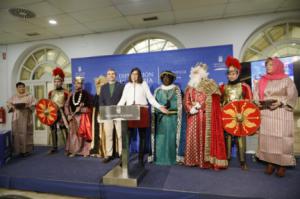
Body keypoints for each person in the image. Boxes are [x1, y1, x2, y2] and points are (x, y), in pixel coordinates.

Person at [254, 57, 298, 177]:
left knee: (282, 139)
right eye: (267, 65)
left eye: (271, 64)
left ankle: (283, 165)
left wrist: (281, 102)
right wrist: (257, 101)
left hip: (282, 112)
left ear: (278, 65)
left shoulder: (287, 80)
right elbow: (256, 94)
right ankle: (270, 163)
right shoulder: (262, 80)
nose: (268, 67)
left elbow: (292, 96)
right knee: (268, 139)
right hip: (266, 113)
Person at [118, 67, 168, 167]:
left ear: (139, 75)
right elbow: (123, 99)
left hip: (142, 111)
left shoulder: (143, 84)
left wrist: (159, 106)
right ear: (130, 75)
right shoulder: (127, 85)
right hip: (129, 111)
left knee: (143, 137)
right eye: (132, 74)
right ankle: (124, 159)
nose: (134, 76)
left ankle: (140, 159)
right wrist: (116, 109)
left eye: (136, 74)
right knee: (127, 137)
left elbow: (150, 97)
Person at [184, 63, 228, 169]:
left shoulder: (209, 84)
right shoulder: (189, 87)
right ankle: (193, 160)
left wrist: (201, 105)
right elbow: (186, 100)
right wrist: (191, 108)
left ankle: (204, 161)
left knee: (204, 138)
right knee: (193, 138)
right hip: (192, 117)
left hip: (204, 117)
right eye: (194, 73)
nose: (194, 75)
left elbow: (213, 100)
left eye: (197, 73)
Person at [220, 56, 252, 170]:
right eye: (229, 73)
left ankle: (243, 161)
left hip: (240, 118)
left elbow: (250, 103)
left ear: (238, 73)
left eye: (234, 73)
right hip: (228, 119)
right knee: (227, 138)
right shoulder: (223, 87)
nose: (231, 75)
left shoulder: (244, 87)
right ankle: (227, 159)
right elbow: (220, 102)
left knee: (240, 139)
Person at [149, 70, 183, 165]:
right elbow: (154, 106)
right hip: (161, 120)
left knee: (172, 138)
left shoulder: (177, 90)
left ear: (172, 79)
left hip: (173, 119)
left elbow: (180, 105)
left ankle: (173, 158)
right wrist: (161, 109)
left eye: (168, 77)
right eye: (164, 77)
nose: (166, 79)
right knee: (161, 138)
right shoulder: (158, 91)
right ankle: (159, 158)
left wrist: (171, 106)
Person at [99, 69, 124, 163]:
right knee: (108, 135)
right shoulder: (103, 87)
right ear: (107, 76)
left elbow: (124, 99)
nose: (111, 75)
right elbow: (101, 101)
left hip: (119, 113)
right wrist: (103, 111)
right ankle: (109, 154)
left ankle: (122, 154)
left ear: (115, 75)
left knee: (120, 135)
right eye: (109, 74)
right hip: (107, 114)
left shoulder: (121, 86)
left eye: (113, 74)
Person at [65, 76, 92, 157]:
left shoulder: (86, 94)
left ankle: (85, 151)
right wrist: (68, 115)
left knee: (82, 135)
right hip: (73, 118)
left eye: (79, 83)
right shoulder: (71, 94)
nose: (77, 85)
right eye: (76, 83)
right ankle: (74, 151)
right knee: (73, 135)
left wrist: (81, 109)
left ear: (82, 84)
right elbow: (66, 105)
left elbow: (89, 108)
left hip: (82, 118)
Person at [7, 82, 36, 157]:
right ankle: (18, 150)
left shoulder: (29, 96)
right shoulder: (14, 97)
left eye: (23, 87)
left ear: (25, 87)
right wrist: (12, 107)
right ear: (17, 88)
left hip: (26, 116)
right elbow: (8, 103)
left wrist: (27, 106)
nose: (21, 88)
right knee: (16, 133)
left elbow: (34, 104)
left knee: (26, 133)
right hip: (16, 117)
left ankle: (26, 150)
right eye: (19, 87)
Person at [48, 67, 69, 154]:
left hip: (62, 113)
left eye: (58, 81)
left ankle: (68, 147)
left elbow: (68, 104)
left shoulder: (66, 92)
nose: (57, 83)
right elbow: (48, 104)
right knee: (53, 129)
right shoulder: (51, 92)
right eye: (55, 81)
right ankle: (54, 147)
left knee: (64, 129)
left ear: (62, 82)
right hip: (53, 113)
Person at [90, 75, 107, 158]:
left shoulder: (106, 95)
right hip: (96, 114)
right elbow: (94, 105)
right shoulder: (96, 95)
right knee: (97, 132)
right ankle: (96, 149)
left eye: (101, 85)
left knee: (103, 132)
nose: (99, 87)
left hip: (104, 114)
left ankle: (103, 150)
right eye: (98, 85)